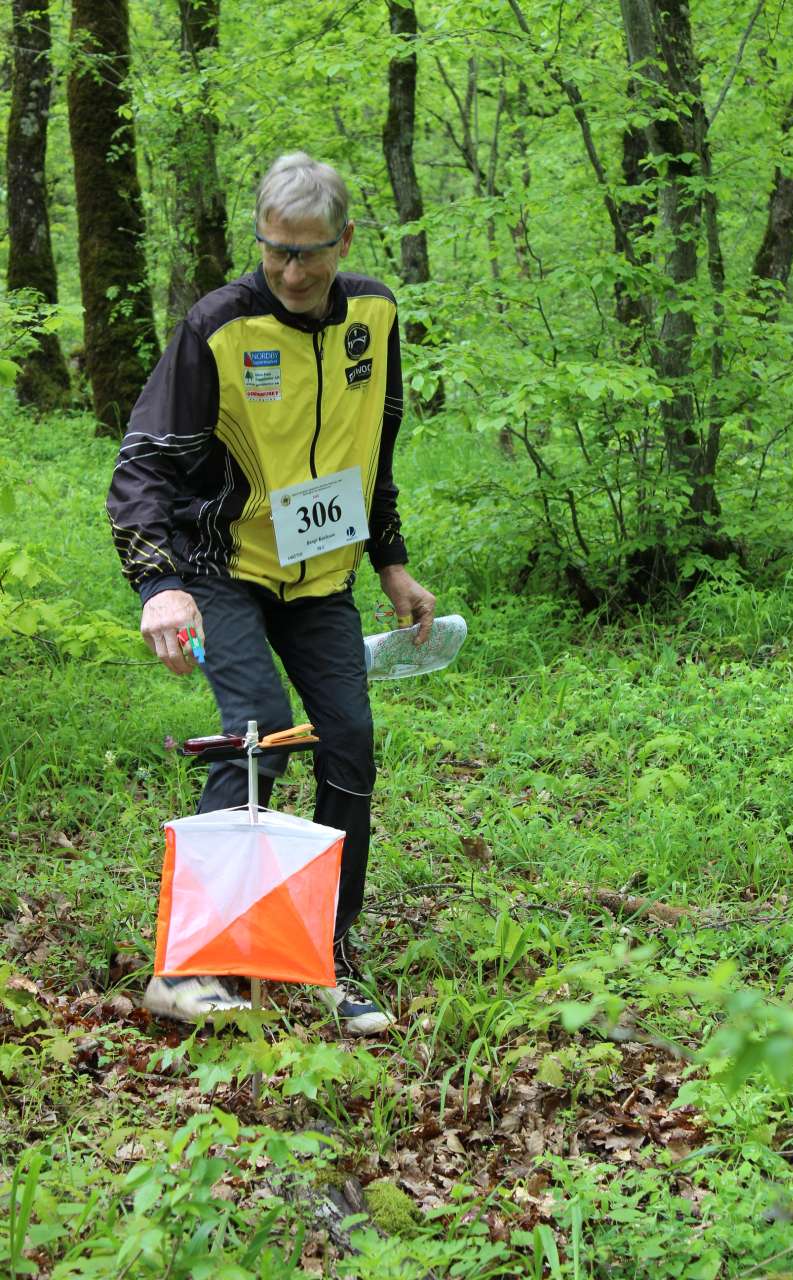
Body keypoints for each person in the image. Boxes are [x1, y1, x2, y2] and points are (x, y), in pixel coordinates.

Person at [107, 152, 435, 1034]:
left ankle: (321, 952)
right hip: (221, 569)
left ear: (345, 242)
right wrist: (159, 585)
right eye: (275, 251)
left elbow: (376, 449)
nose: (291, 272)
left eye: (310, 253)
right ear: (259, 239)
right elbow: (141, 464)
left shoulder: (374, 313)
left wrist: (391, 562)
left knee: (350, 745)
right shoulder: (217, 325)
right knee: (255, 736)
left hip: (322, 576)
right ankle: (189, 966)